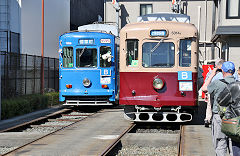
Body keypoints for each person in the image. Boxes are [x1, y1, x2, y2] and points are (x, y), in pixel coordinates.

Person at [202, 61, 236, 156]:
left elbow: (204, 88)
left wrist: (212, 74)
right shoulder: (238, 83)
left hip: (219, 117)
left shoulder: (217, 83)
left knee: (220, 141)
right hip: (234, 117)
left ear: (222, 71)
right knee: (233, 143)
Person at [202, 59, 224, 127]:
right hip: (221, 91)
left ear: (215, 65)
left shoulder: (211, 72)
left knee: (210, 104)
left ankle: (208, 119)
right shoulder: (226, 72)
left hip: (211, 90)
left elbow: (206, 81)